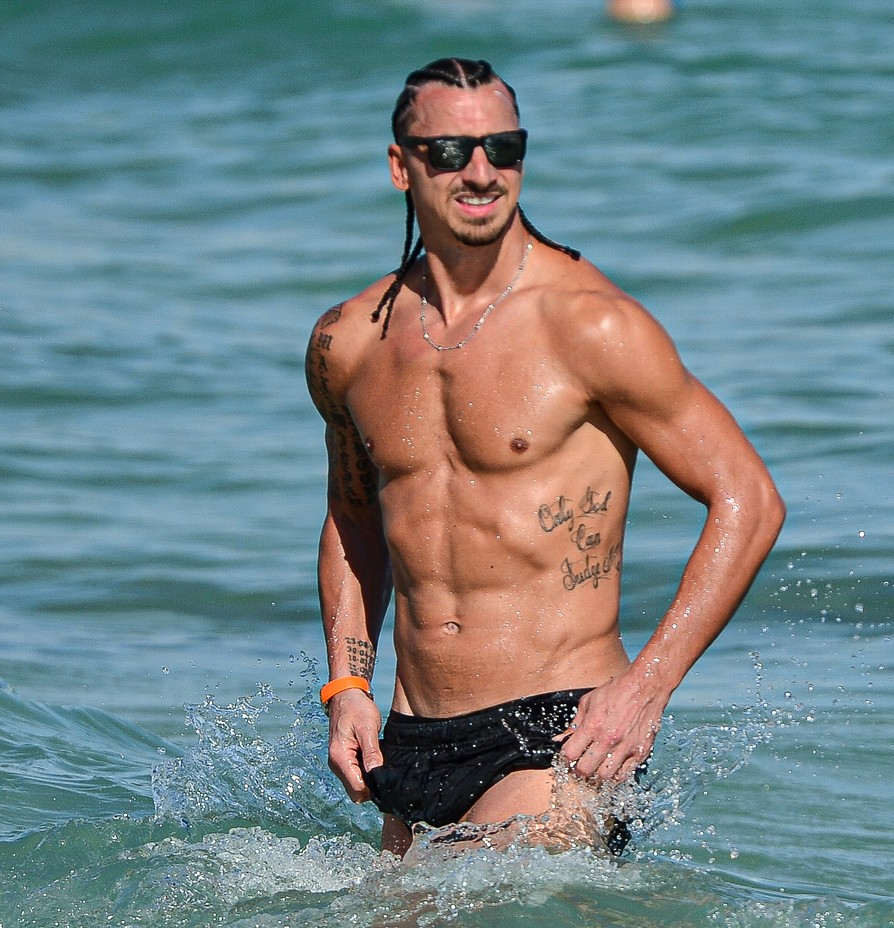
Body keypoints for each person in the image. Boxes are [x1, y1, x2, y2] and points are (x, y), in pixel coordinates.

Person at [305, 58, 784, 857]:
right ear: (400, 166)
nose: (482, 173)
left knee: (491, 904)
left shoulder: (590, 325)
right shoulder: (350, 343)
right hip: (413, 738)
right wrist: (347, 687)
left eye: (504, 148)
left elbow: (749, 497)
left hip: (559, 732)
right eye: (451, 152)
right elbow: (353, 521)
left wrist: (646, 688)